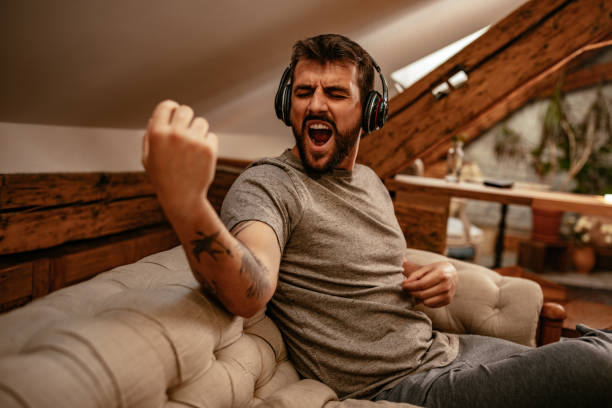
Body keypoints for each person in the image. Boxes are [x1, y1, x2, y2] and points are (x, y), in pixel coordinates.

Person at [142, 34, 612, 407]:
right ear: (288, 104)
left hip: (450, 349)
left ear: (370, 111)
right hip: (405, 385)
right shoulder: (269, 186)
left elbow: (377, 258)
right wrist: (187, 204)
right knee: (597, 365)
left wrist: (442, 273)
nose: (316, 105)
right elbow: (252, 289)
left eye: (335, 93)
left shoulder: (368, 180)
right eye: (304, 92)